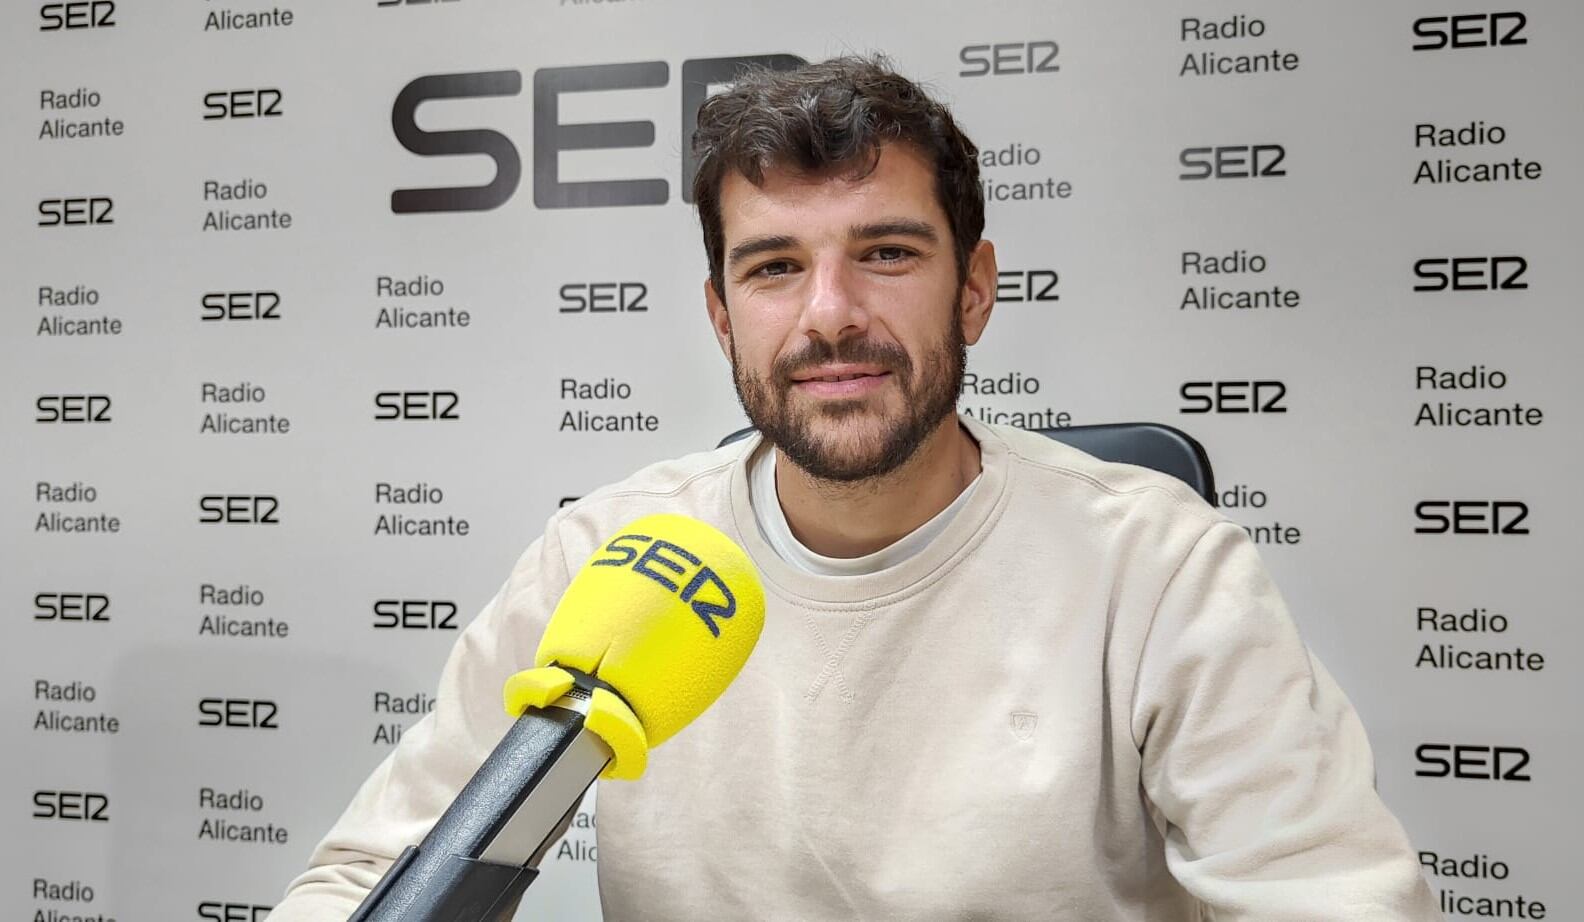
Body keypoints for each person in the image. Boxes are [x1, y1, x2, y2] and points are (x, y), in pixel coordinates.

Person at [269, 56, 1439, 920]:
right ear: (722, 315)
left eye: (885, 252)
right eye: (775, 268)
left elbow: (1333, 899)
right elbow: (371, 878)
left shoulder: (1161, 568)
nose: (829, 314)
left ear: (973, 289)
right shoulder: (609, 552)